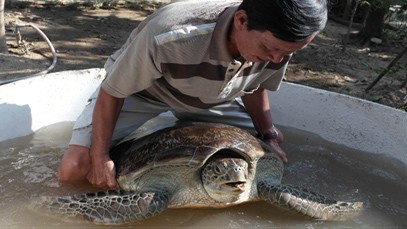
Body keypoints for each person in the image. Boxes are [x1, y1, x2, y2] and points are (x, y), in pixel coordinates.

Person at [58, 0, 328, 189]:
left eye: (288, 53)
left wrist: (268, 133)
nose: (276, 58)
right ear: (241, 20)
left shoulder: (279, 44)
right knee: (76, 168)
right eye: (271, 49)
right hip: (145, 91)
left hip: (213, 98)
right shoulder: (172, 34)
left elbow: (255, 85)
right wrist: (100, 158)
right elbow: (112, 91)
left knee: (267, 160)